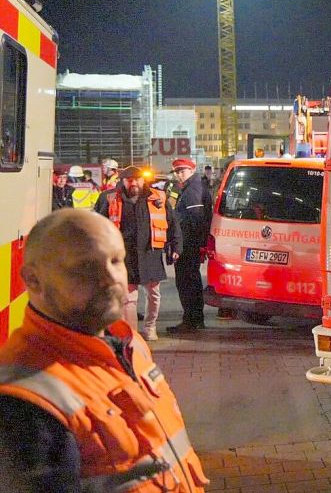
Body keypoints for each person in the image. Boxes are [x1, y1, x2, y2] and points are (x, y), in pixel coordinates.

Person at [0, 210, 208, 493]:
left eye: (116, 261)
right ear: (33, 279)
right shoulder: (21, 402)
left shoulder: (129, 344)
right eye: (86, 267)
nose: (110, 278)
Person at [94, 166, 182, 340]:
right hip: (126, 256)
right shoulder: (111, 198)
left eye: (137, 179)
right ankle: (132, 333)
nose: (133, 183)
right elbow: (99, 225)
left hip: (150, 253)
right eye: (129, 180)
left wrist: (176, 247)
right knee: (129, 297)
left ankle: (150, 328)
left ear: (143, 180)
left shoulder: (157, 198)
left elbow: (173, 223)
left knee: (154, 294)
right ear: (123, 181)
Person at [168, 159, 213, 333]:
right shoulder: (189, 186)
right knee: (191, 281)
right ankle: (195, 319)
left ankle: (191, 319)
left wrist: (199, 244)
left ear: (192, 170)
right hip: (189, 242)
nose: (179, 174)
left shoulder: (193, 188)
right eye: (177, 171)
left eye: (183, 171)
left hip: (188, 243)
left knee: (186, 282)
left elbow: (197, 218)